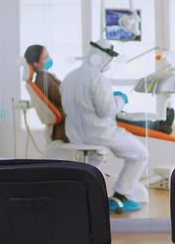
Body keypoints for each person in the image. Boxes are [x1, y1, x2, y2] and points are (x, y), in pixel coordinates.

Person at [61, 40, 149, 213]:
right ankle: (121, 196)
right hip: (100, 133)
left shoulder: (69, 77)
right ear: (100, 57)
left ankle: (82, 196)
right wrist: (120, 99)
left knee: (94, 161)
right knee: (140, 154)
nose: (109, 63)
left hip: (75, 135)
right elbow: (106, 111)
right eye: (109, 59)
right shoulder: (98, 79)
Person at [24, 44, 67, 141]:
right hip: (65, 128)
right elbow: (63, 98)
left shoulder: (45, 77)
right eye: (46, 58)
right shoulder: (43, 79)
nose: (49, 59)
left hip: (65, 125)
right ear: (36, 63)